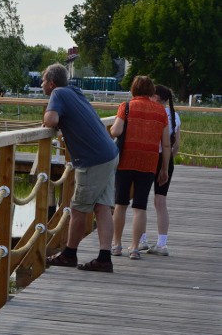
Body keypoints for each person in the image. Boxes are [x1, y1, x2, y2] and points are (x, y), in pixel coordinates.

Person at [41, 63, 120, 272]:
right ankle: (104, 258)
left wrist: (49, 120)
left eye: (43, 80)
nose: (41, 84)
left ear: (51, 82)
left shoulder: (58, 92)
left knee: (78, 209)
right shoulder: (74, 90)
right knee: (102, 207)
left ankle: (69, 254)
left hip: (93, 159)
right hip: (109, 153)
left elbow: (51, 119)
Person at [110, 77, 171, 260]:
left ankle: (116, 244)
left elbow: (116, 131)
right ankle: (135, 248)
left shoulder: (126, 107)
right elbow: (166, 144)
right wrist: (164, 169)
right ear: (151, 90)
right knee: (140, 206)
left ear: (134, 89)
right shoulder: (161, 111)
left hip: (126, 160)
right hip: (149, 163)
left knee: (120, 204)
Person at [137, 84, 180, 256]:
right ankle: (162, 244)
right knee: (161, 202)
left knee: (141, 202)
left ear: (156, 98)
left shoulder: (153, 113)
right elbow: (176, 146)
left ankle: (142, 240)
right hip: (167, 161)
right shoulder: (175, 116)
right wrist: (167, 163)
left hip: (150, 159)